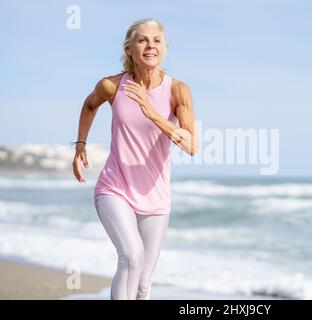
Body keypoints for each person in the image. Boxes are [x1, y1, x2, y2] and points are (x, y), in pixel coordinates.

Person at [71, 18, 198, 299]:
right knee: (131, 256)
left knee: (143, 284)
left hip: (156, 197)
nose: (150, 45)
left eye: (156, 40)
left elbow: (191, 145)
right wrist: (80, 144)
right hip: (115, 188)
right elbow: (89, 105)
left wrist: (152, 112)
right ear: (129, 48)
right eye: (142, 40)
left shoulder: (178, 90)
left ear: (164, 48)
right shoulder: (112, 86)